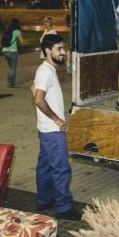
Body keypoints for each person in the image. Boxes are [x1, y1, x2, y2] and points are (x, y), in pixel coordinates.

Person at [33, 34, 80, 219]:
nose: (63, 53)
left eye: (63, 49)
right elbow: (38, 99)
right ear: (47, 51)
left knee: (44, 166)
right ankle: (63, 207)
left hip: (45, 129)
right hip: (53, 130)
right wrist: (57, 120)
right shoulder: (45, 71)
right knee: (61, 168)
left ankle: (44, 200)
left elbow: (34, 90)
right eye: (59, 49)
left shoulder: (45, 70)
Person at [1, 18, 25, 88]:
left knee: (10, 67)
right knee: (13, 68)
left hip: (5, 51)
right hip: (12, 52)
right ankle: (11, 84)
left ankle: (9, 82)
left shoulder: (7, 30)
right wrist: (24, 43)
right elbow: (22, 41)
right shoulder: (17, 31)